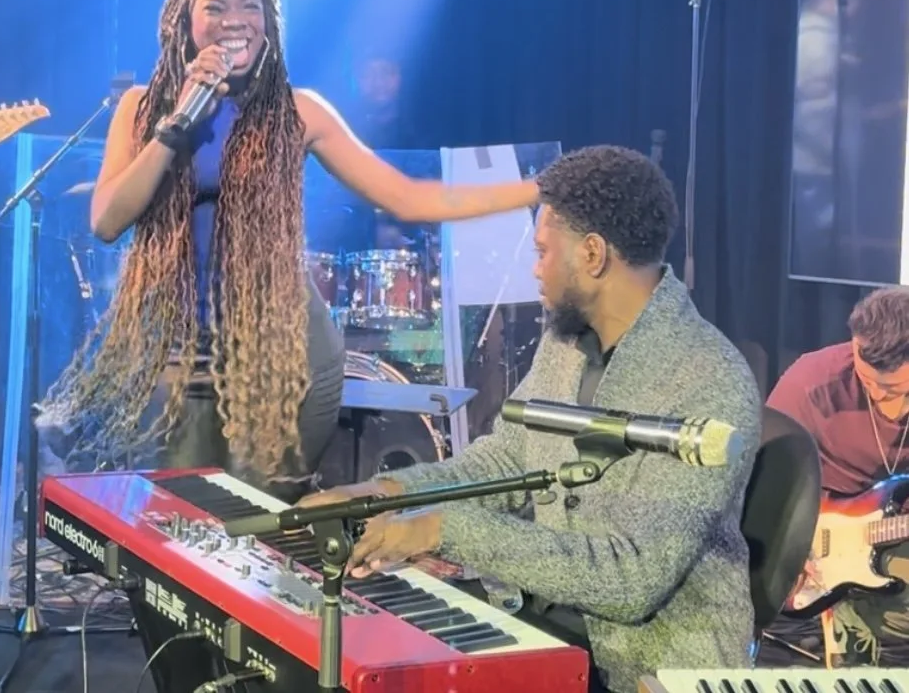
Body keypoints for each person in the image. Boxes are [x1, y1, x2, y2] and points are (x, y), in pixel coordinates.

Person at [37, 0, 538, 493]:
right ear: (184, 22)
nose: (235, 20)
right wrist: (179, 121)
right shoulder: (140, 108)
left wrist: (536, 188)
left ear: (268, 24)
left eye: (250, 7)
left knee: (264, 524)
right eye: (216, 7)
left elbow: (409, 198)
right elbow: (108, 220)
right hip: (175, 356)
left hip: (282, 356)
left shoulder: (299, 112)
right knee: (177, 527)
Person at [301, 145, 763, 693]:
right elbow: (504, 460)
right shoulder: (566, 342)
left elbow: (631, 576)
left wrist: (441, 529)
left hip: (647, 668)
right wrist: (384, 491)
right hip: (546, 627)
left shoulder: (710, 379)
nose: (535, 268)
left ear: (593, 255)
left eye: (544, 251)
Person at [765, 286, 909, 666]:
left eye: (899, 389)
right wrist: (788, 548)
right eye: (869, 383)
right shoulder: (811, 381)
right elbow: (764, 477)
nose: (883, 399)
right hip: (818, 536)